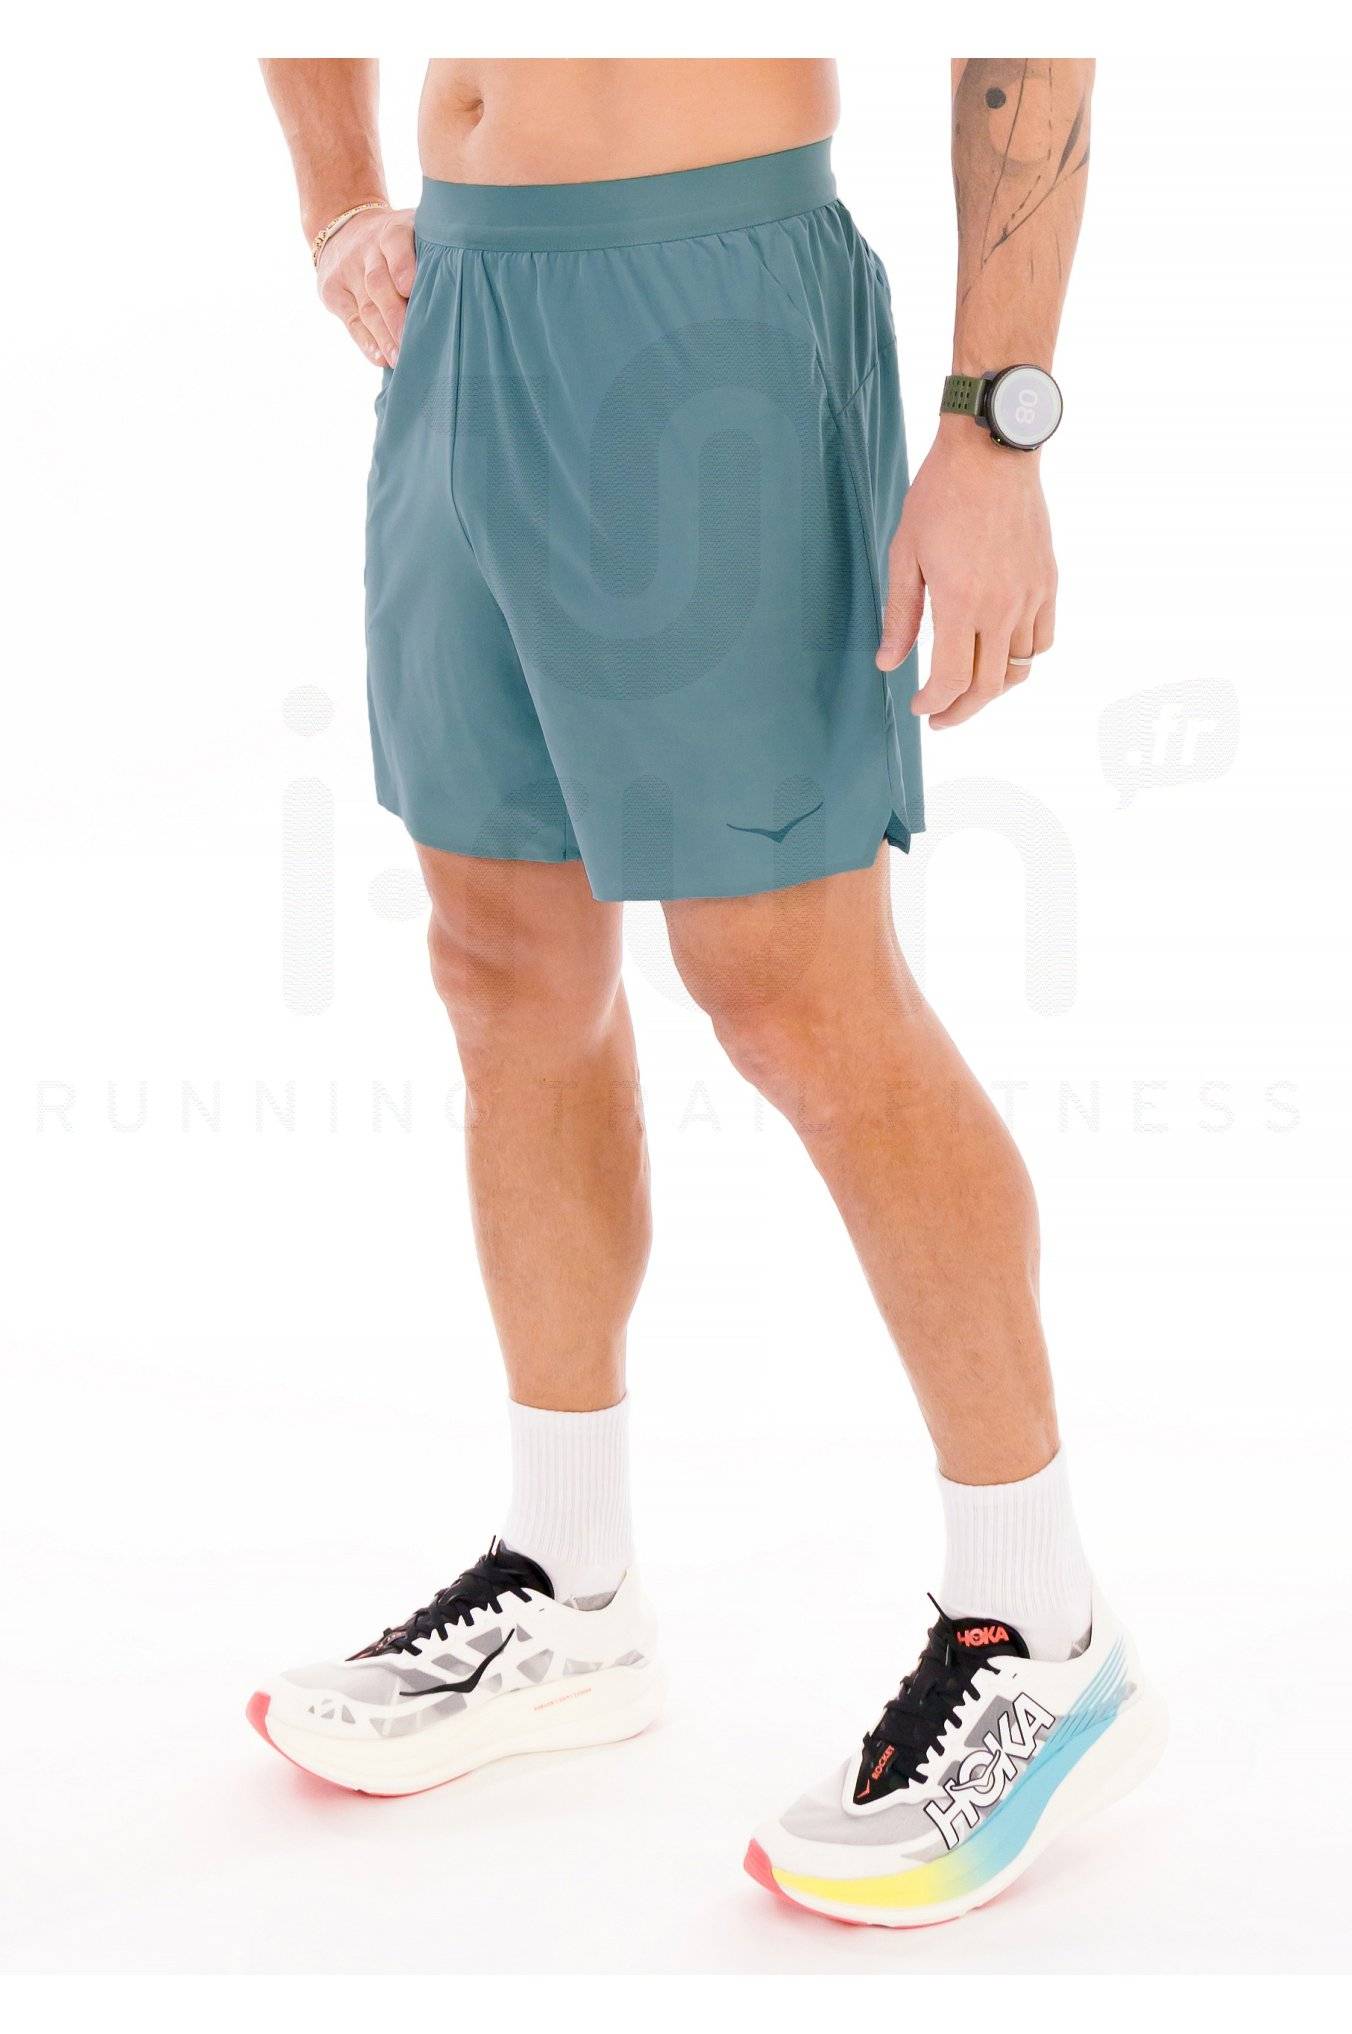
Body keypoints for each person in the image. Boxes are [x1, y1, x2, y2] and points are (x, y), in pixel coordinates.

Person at [253, 57, 1163, 1927]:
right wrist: (340, 196)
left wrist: (997, 428)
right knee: (502, 963)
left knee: (793, 987)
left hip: (707, 310)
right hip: (462, 311)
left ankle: (1042, 1623)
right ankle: (570, 1586)